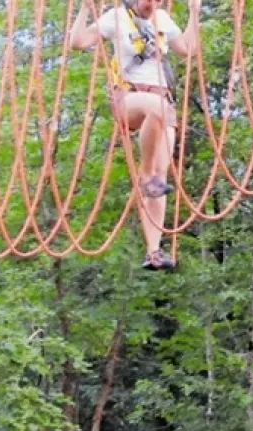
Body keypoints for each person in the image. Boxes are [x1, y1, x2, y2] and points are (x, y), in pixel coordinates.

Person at [68, 0, 202, 270]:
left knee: (160, 177)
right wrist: (84, 9)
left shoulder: (162, 19)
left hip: (162, 100)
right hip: (129, 97)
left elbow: (188, 50)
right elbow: (79, 42)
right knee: (157, 112)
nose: (151, 4)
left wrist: (194, 13)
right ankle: (148, 175)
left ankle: (153, 250)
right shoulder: (116, 17)